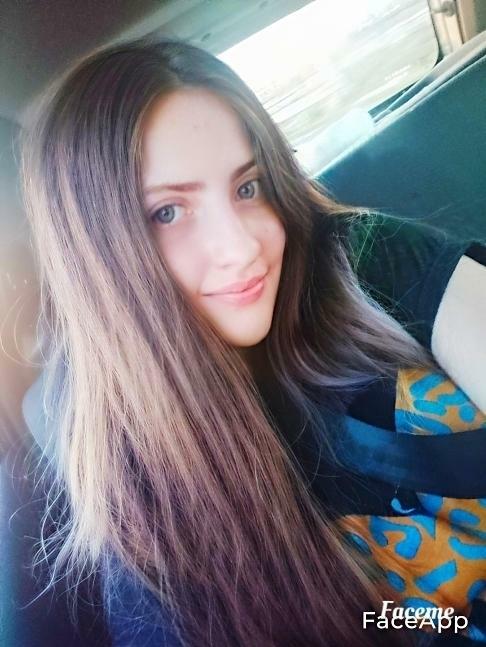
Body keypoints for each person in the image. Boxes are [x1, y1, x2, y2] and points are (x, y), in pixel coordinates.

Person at [19, 36, 486, 647]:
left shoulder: (361, 258)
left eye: (248, 187)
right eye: (167, 212)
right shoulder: (146, 521)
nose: (241, 248)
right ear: (97, 254)